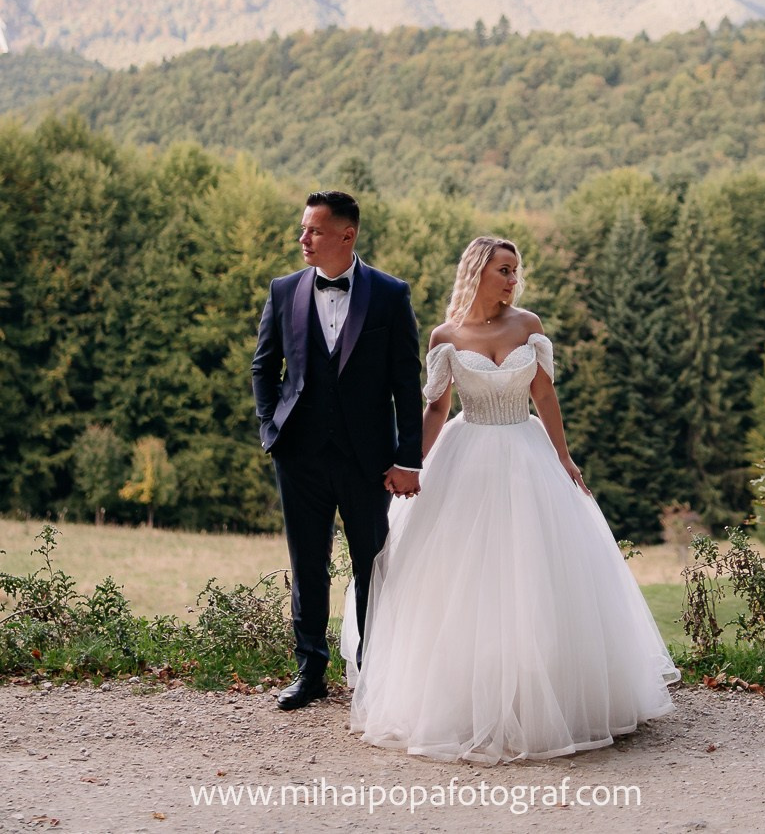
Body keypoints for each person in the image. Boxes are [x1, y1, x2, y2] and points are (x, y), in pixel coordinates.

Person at [342, 235, 677, 763]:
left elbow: (544, 395)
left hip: (527, 455)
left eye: (515, 271)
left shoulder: (529, 326)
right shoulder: (445, 336)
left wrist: (564, 458)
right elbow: (435, 408)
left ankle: (547, 702)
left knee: (536, 576)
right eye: (504, 269)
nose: (512, 279)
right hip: (466, 455)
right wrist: (413, 463)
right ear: (478, 270)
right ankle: (463, 706)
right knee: (463, 581)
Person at [250, 190, 424, 711]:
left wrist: (407, 458)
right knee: (307, 564)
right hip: (298, 455)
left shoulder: (390, 295)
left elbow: (405, 381)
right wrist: (270, 429)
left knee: (373, 562)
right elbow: (264, 366)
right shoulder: (284, 291)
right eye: (304, 229)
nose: (303, 239)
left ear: (347, 236)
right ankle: (310, 672)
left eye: (315, 231)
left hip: (368, 459)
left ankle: (376, 673)